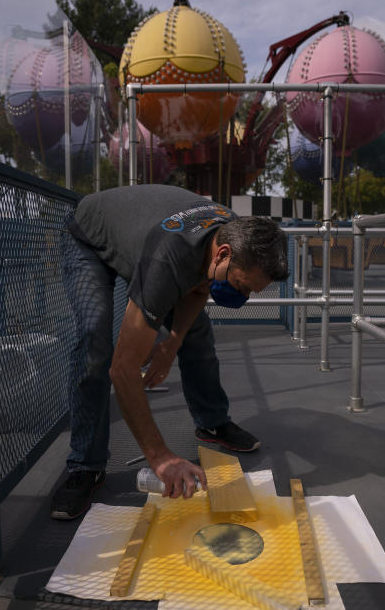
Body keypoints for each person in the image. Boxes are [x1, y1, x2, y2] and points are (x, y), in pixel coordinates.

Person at [50, 184, 289, 520]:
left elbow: (197, 289)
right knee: (95, 337)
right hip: (90, 235)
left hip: (146, 239)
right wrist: (160, 456)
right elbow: (124, 369)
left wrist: (171, 344)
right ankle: (85, 465)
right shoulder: (169, 256)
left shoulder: (233, 233)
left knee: (198, 333)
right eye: (242, 286)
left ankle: (211, 423)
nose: (244, 297)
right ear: (222, 254)